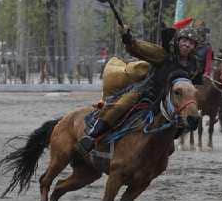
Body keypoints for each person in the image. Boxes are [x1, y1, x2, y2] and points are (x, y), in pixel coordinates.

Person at [75, 20, 208, 157]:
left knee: (189, 118)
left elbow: (194, 85)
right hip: (147, 93)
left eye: (191, 43)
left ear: (195, 46)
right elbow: (139, 48)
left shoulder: (195, 65)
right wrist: (128, 38)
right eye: (184, 40)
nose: (187, 44)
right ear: (178, 41)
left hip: (172, 101)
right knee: (121, 106)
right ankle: (91, 137)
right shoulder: (162, 54)